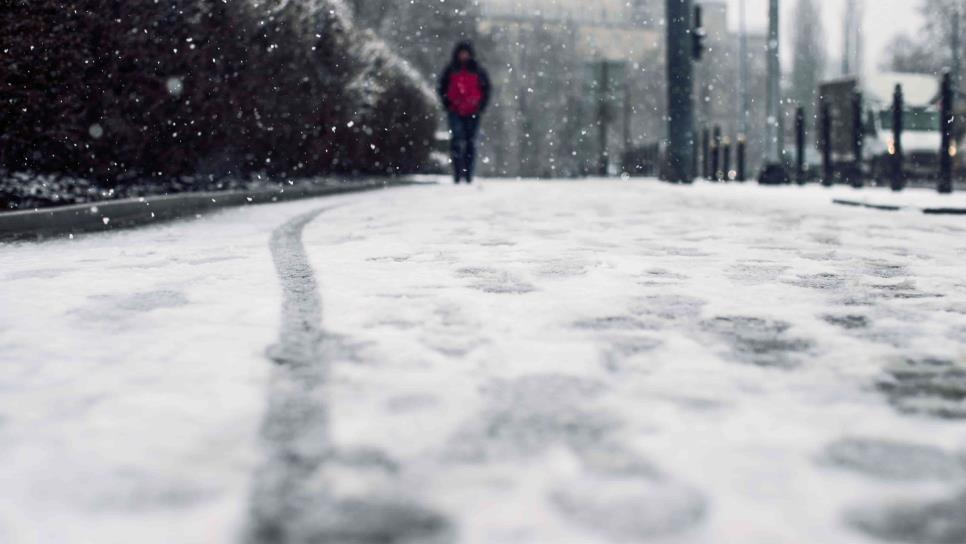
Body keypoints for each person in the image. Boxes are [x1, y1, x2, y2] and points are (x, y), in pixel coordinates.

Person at [438, 41, 490, 184]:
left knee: (470, 143)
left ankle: (468, 174)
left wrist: (480, 106)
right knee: (456, 140)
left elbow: (486, 89)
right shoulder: (450, 69)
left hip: (473, 111)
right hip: (455, 110)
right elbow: (442, 88)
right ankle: (457, 173)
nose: (463, 55)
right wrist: (448, 104)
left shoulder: (478, 70)